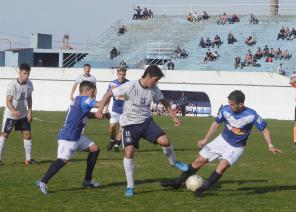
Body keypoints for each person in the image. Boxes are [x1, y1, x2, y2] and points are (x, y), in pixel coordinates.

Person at [161, 90, 281, 197]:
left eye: (232, 104)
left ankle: (202, 189)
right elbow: (216, 124)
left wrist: (270, 145)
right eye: (229, 103)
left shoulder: (252, 115)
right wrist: (205, 139)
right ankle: (177, 183)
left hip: (236, 148)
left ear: (241, 104)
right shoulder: (225, 110)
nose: (229, 106)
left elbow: (264, 130)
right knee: (198, 161)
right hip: (221, 141)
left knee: (222, 167)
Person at [96, 65, 188, 196]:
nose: (156, 83)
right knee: (129, 152)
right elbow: (109, 93)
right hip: (129, 125)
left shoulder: (154, 89)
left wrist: (174, 117)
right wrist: (100, 109)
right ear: (148, 76)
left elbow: (164, 101)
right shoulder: (130, 86)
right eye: (155, 80)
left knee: (165, 141)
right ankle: (130, 186)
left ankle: (174, 162)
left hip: (146, 122)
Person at [36, 81, 108, 195]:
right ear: (85, 91)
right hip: (69, 137)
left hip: (77, 135)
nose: (94, 95)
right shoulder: (85, 99)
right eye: (93, 92)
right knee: (62, 161)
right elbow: (99, 104)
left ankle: (87, 180)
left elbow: (85, 114)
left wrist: (99, 115)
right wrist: (109, 94)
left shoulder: (78, 100)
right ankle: (43, 182)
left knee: (95, 149)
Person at [0, 63, 36, 165]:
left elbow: (29, 98)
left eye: (28, 73)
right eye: (25, 73)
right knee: (4, 135)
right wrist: (13, 111)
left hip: (23, 115)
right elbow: (8, 101)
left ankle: (28, 159)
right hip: (11, 115)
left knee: (27, 135)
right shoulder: (12, 85)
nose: (26, 76)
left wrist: (30, 111)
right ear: (19, 72)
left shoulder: (30, 84)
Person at [105, 67, 129, 152]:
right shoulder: (112, 84)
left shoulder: (129, 83)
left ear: (125, 74)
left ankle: (116, 145)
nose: (122, 76)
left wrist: (119, 96)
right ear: (117, 74)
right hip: (115, 109)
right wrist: (106, 107)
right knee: (112, 126)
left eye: (123, 74)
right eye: (120, 74)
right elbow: (108, 95)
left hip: (125, 110)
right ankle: (112, 139)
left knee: (122, 127)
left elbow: (128, 97)